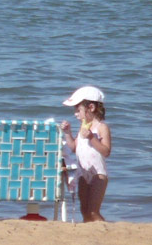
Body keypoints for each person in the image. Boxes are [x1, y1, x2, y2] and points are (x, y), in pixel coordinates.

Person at [59, 85, 111, 222]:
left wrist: (91, 138)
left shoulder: (101, 127)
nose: (76, 113)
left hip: (98, 174)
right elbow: (74, 148)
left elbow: (106, 151)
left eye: (78, 109)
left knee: (93, 211)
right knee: (84, 210)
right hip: (83, 173)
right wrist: (68, 133)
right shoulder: (83, 128)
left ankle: (106, 231)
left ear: (91, 108)